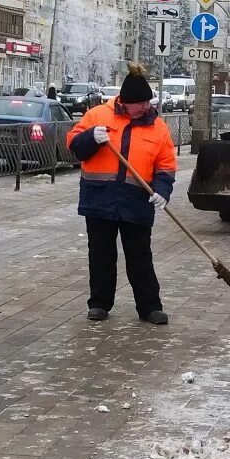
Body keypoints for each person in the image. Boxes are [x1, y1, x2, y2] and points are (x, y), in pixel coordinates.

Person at [67, 63, 177, 325]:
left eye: (147, 102)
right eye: (139, 103)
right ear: (124, 102)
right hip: (99, 198)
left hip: (136, 201)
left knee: (140, 256)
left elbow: (166, 165)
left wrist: (162, 190)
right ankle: (99, 304)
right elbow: (74, 146)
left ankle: (150, 307)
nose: (145, 107)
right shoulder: (97, 116)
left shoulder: (158, 128)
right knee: (101, 254)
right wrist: (91, 137)